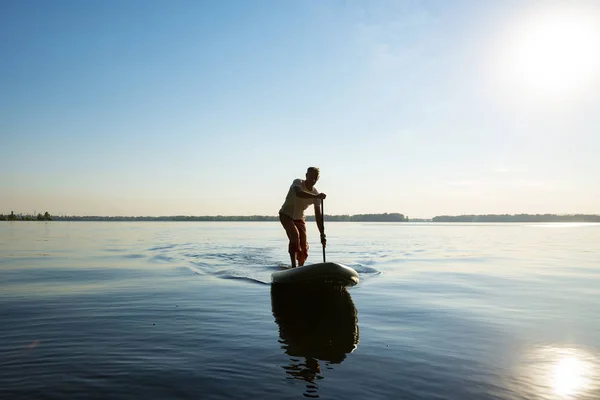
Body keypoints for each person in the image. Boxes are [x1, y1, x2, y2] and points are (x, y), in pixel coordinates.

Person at [279, 167, 327, 268]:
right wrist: (316, 197)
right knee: (295, 236)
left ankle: (300, 267)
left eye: (315, 179)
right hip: (286, 215)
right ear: (306, 176)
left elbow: (318, 216)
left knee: (304, 245)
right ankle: (293, 267)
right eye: (311, 177)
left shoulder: (315, 193)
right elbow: (298, 193)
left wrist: (322, 234)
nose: (313, 180)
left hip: (299, 218)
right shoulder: (298, 182)